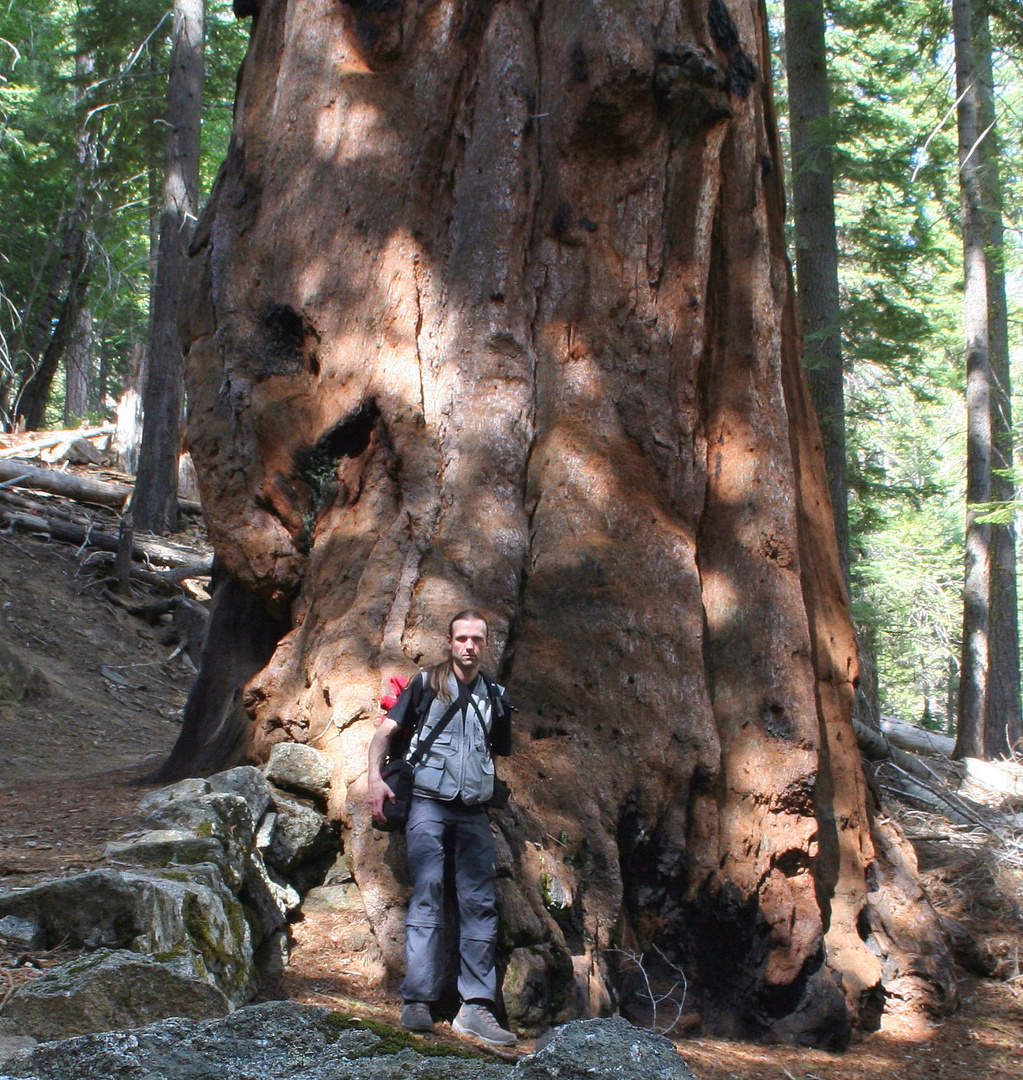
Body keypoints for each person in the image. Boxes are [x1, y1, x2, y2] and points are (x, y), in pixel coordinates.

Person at [367, 609, 516, 1046]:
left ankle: (476, 1008)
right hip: (427, 805)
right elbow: (384, 733)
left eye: (476, 639)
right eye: (461, 638)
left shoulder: (495, 696)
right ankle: (417, 1000)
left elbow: (494, 753)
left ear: (485, 645)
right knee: (428, 894)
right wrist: (375, 782)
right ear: (449, 642)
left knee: (479, 903)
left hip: (472, 812)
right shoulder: (425, 684)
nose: (468, 646)